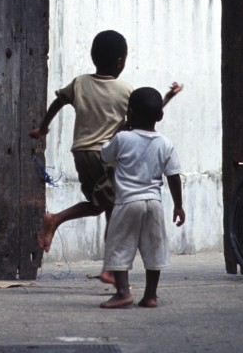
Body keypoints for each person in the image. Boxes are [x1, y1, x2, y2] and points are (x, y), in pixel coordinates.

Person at [29, 29, 182, 283]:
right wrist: (165, 99)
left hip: (81, 154)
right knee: (114, 210)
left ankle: (55, 219)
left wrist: (44, 128)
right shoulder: (124, 90)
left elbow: (58, 102)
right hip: (108, 157)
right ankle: (110, 267)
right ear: (121, 61)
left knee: (99, 205)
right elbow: (146, 113)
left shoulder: (79, 83)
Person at [98, 86, 185, 309]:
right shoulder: (165, 143)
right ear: (160, 116)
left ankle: (123, 292)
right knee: (153, 247)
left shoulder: (124, 138)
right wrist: (178, 206)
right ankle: (150, 295)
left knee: (119, 245)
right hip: (154, 203)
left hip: (128, 202)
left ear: (129, 114)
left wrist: (117, 129)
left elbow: (105, 156)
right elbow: (174, 177)